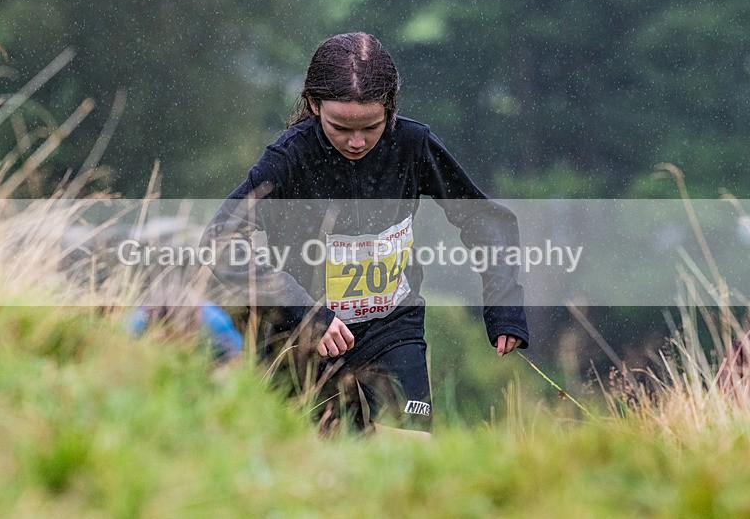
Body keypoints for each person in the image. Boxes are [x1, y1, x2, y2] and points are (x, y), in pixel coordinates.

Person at [200, 32, 529, 435]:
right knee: (324, 452)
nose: (356, 142)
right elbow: (219, 241)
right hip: (306, 339)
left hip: (394, 329)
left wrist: (503, 304)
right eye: (339, 127)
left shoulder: (412, 144)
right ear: (314, 105)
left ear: (390, 111)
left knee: (413, 444)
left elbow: (484, 218)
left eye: (371, 127)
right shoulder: (288, 159)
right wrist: (302, 311)